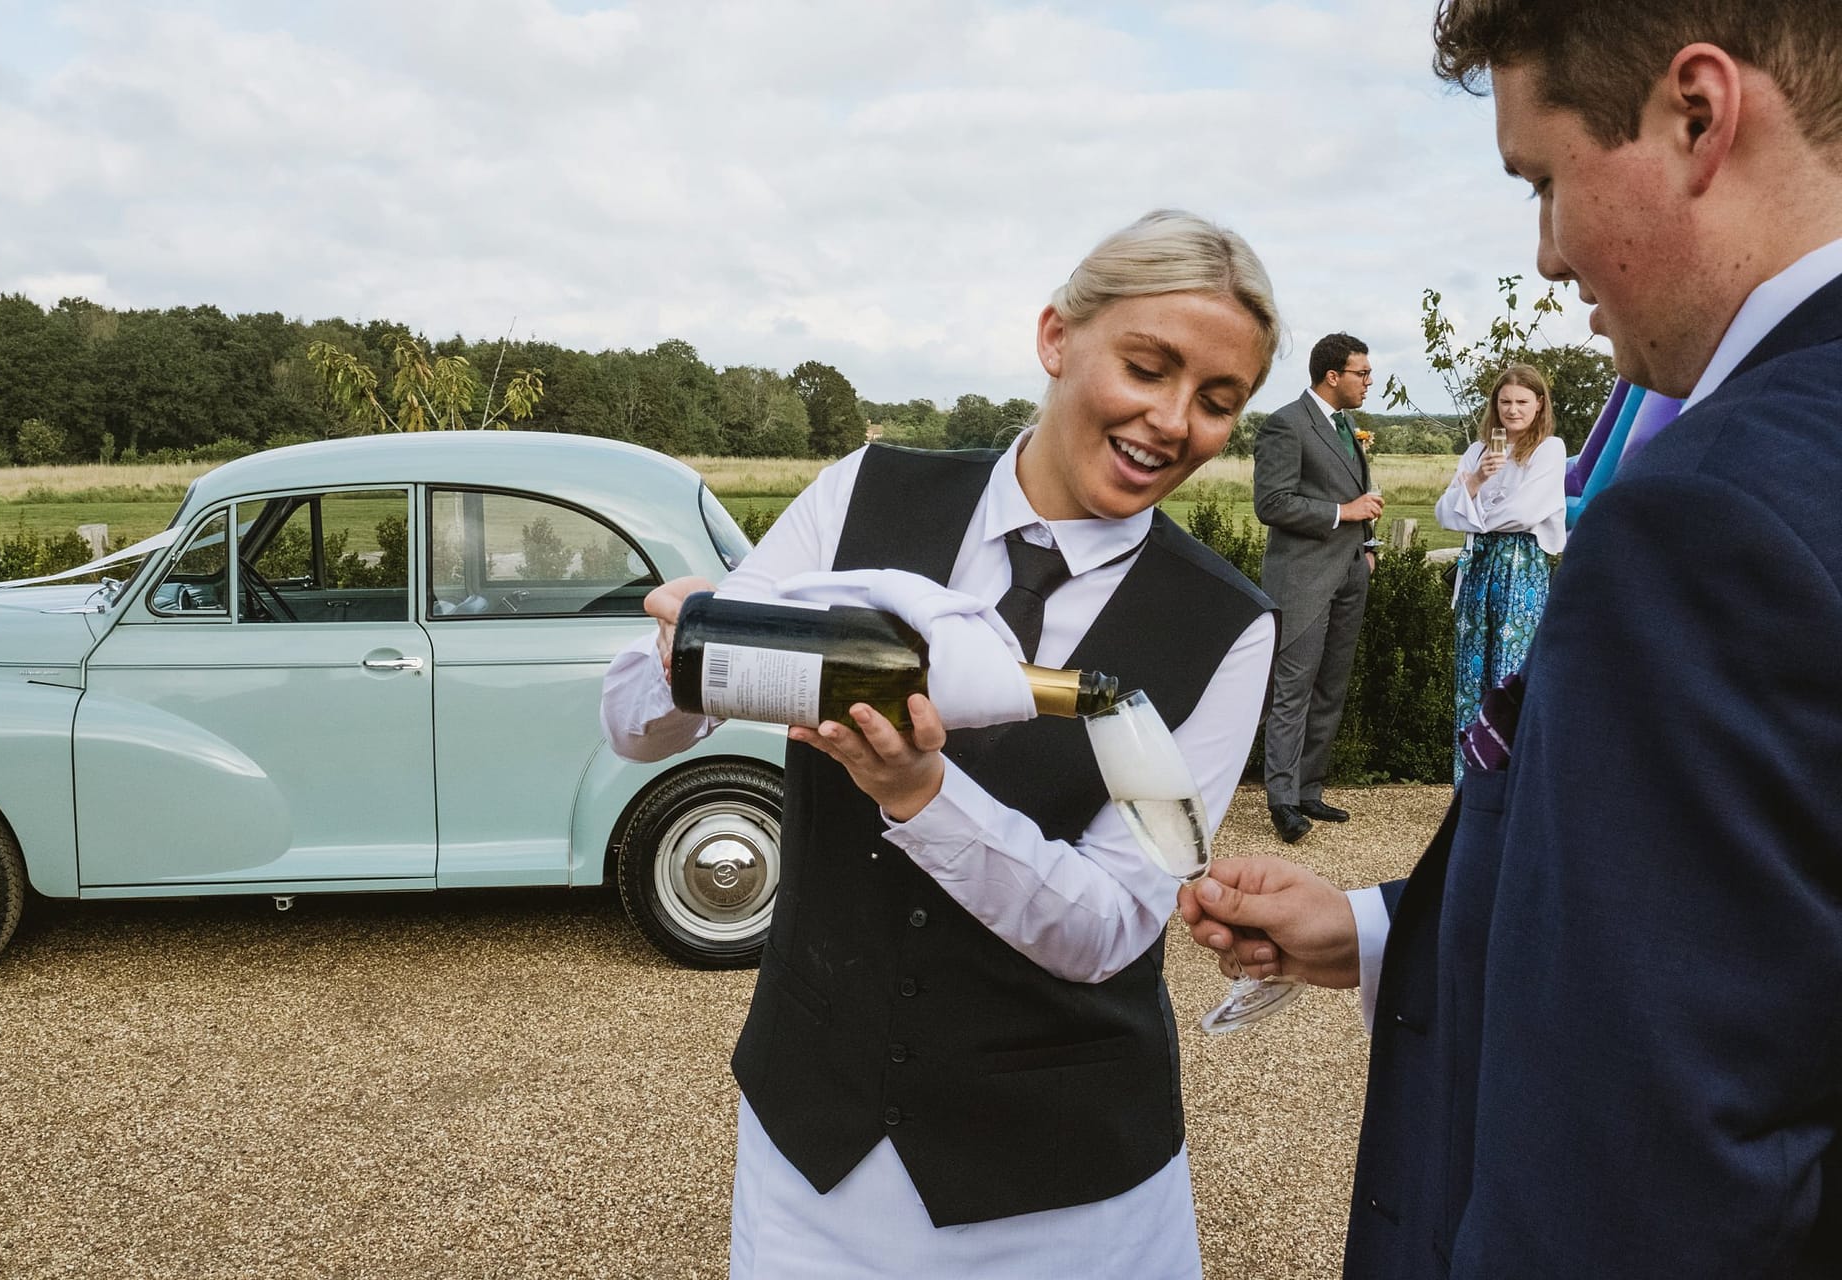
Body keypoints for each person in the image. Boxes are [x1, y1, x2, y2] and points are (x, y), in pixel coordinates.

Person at [1179, 1, 1842, 1275]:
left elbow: (1637, 1184)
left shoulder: (1709, 519)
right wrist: (1386, 931)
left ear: (1696, 116)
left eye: (1544, 181)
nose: (1546, 255)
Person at [601, 210, 1282, 1278]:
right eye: (1147, 367)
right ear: (1058, 337)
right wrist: (688, 645)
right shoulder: (865, 494)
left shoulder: (1226, 623)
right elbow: (638, 727)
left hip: (1065, 1185)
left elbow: (1110, 925)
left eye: (1216, 401)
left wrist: (925, 794)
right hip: (816, 1152)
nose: (1170, 420)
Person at [1252, 333, 1382, 842]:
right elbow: (1273, 503)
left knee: (1331, 686)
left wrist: (1367, 548)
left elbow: (1354, 495)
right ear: (1333, 376)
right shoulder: (1286, 424)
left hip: (1350, 571)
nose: (1369, 382)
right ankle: (1282, 801)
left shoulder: (1347, 426)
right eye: (1362, 373)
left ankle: (1309, 788)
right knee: (1294, 691)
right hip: (1302, 579)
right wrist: (1341, 513)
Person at [1433, 363, 1567, 784]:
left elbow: (1526, 513)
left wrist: (1471, 512)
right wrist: (1474, 482)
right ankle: (1468, 782)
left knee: (1510, 671)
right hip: (1478, 568)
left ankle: (1514, 782)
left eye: (1522, 402)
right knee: (1472, 672)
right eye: (1505, 401)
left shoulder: (1548, 449)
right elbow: (1443, 512)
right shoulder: (1477, 453)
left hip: (1519, 568)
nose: (1512, 410)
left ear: (1539, 403)